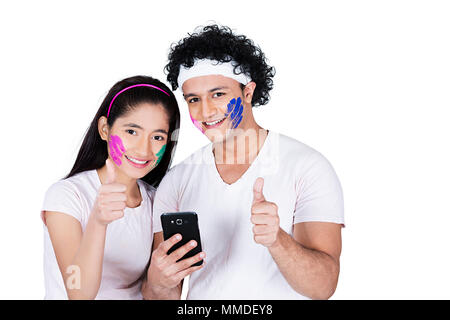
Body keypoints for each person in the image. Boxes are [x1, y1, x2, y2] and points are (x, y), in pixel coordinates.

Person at [142, 25, 345, 300]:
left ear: (247, 93)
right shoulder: (177, 181)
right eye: (193, 99)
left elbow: (323, 287)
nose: (206, 111)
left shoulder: (307, 167)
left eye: (218, 94)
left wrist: (277, 239)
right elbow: (164, 295)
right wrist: (157, 281)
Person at [41, 75, 180, 299]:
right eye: (131, 132)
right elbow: (78, 293)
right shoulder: (67, 196)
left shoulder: (158, 201)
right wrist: (98, 221)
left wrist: (165, 281)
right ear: (105, 129)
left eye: (157, 137)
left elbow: (156, 294)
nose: (144, 149)